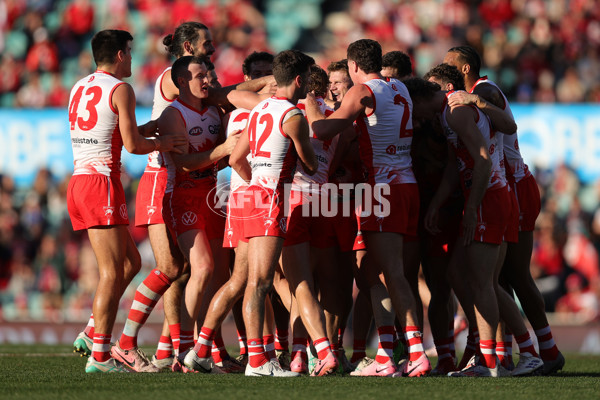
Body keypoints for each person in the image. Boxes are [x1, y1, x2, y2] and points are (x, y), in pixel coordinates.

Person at [307, 39, 430, 377]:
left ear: (354, 66)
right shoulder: (400, 88)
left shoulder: (363, 90)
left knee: (390, 273)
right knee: (376, 273)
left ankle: (416, 352)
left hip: (382, 188)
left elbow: (323, 130)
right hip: (407, 186)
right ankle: (386, 356)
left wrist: (308, 102)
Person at [67, 29, 185, 373]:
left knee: (131, 264)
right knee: (110, 272)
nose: (133, 58)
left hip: (80, 180)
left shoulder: (79, 86)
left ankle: (93, 332)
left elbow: (112, 131)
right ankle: (100, 355)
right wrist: (165, 144)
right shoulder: (122, 89)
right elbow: (131, 146)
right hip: (101, 182)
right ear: (120, 54)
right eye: (130, 52)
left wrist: (152, 129)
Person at [443, 45, 564, 375]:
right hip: (506, 186)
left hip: (513, 186)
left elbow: (508, 125)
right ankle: (506, 354)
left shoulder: (483, 91)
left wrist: (477, 102)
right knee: (497, 278)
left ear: (465, 68)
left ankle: (542, 350)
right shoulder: (471, 96)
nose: (445, 70)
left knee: (512, 276)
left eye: (449, 65)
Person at [229, 49, 327, 377]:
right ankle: (259, 362)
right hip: (272, 199)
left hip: (251, 196)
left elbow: (235, 160)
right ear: (299, 80)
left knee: (255, 283)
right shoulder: (293, 115)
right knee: (259, 283)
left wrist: (257, 180)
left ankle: (258, 358)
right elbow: (311, 164)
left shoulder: (258, 110)